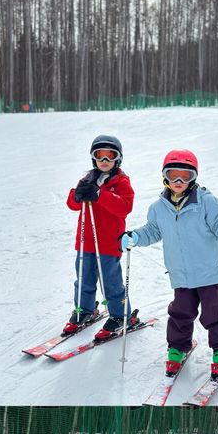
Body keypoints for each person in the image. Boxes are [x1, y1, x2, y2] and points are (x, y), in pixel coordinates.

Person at [120, 149, 218, 379]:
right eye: (173, 175)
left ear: (194, 178)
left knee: (214, 312)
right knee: (180, 312)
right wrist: (136, 237)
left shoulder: (205, 201)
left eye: (185, 176)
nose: (178, 181)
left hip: (209, 270)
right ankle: (177, 347)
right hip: (181, 274)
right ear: (164, 177)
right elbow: (152, 230)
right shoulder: (158, 208)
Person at [65, 135, 139, 340]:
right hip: (85, 241)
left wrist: (100, 195)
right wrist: (77, 195)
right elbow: (72, 204)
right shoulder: (87, 179)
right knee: (84, 278)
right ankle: (85, 309)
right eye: (99, 155)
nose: (104, 160)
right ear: (93, 158)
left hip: (108, 243)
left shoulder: (121, 182)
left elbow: (125, 207)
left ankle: (121, 315)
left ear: (118, 159)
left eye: (110, 155)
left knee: (111, 282)